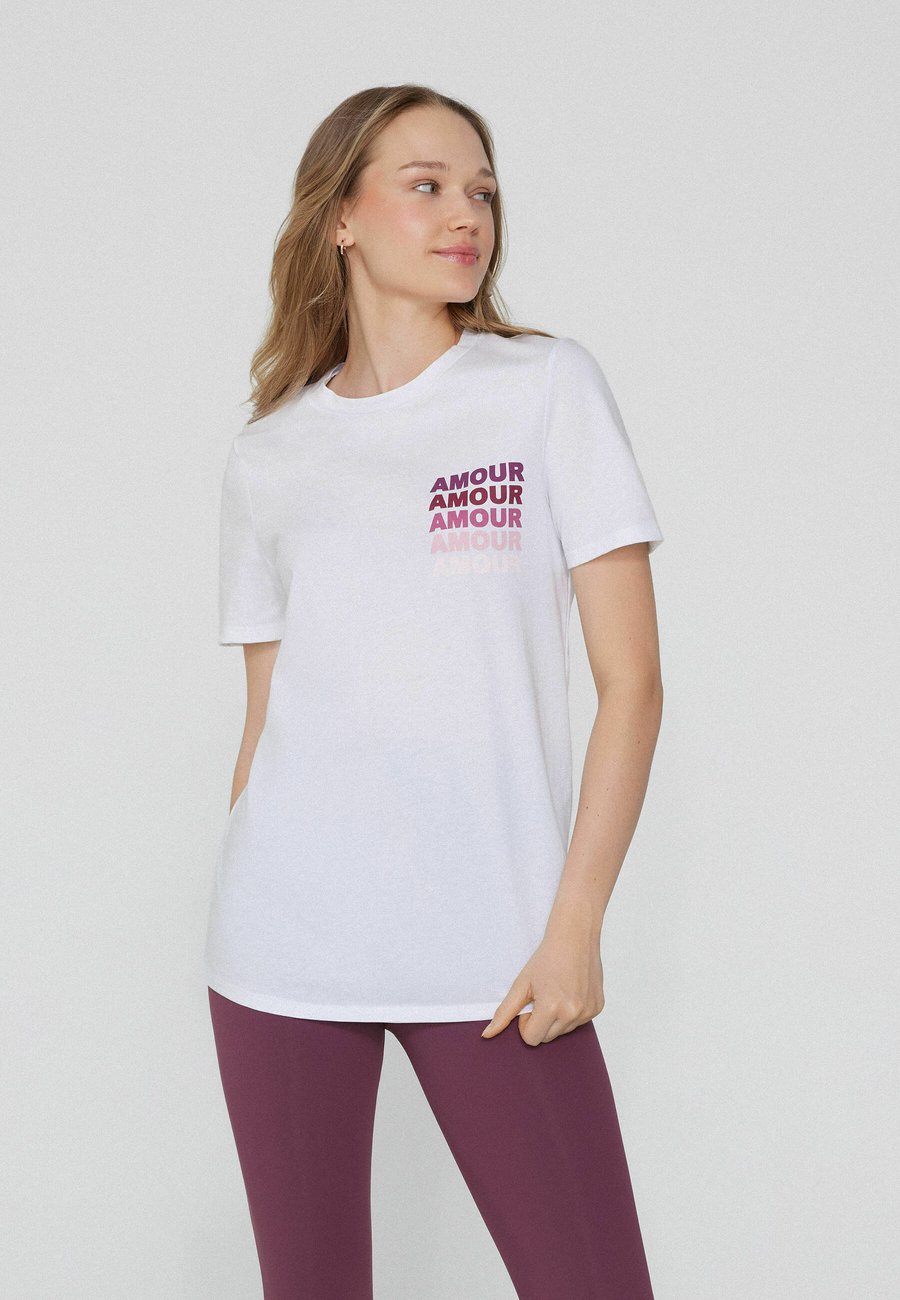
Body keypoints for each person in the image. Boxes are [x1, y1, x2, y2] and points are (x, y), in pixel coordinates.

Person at [205, 82, 663, 1300]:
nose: (467, 214)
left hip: (501, 948)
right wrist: (248, 872)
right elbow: (266, 722)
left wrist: (575, 927)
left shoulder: (544, 388)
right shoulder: (270, 455)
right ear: (341, 217)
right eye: (427, 186)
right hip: (284, 944)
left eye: (483, 191)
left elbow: (632, 684)